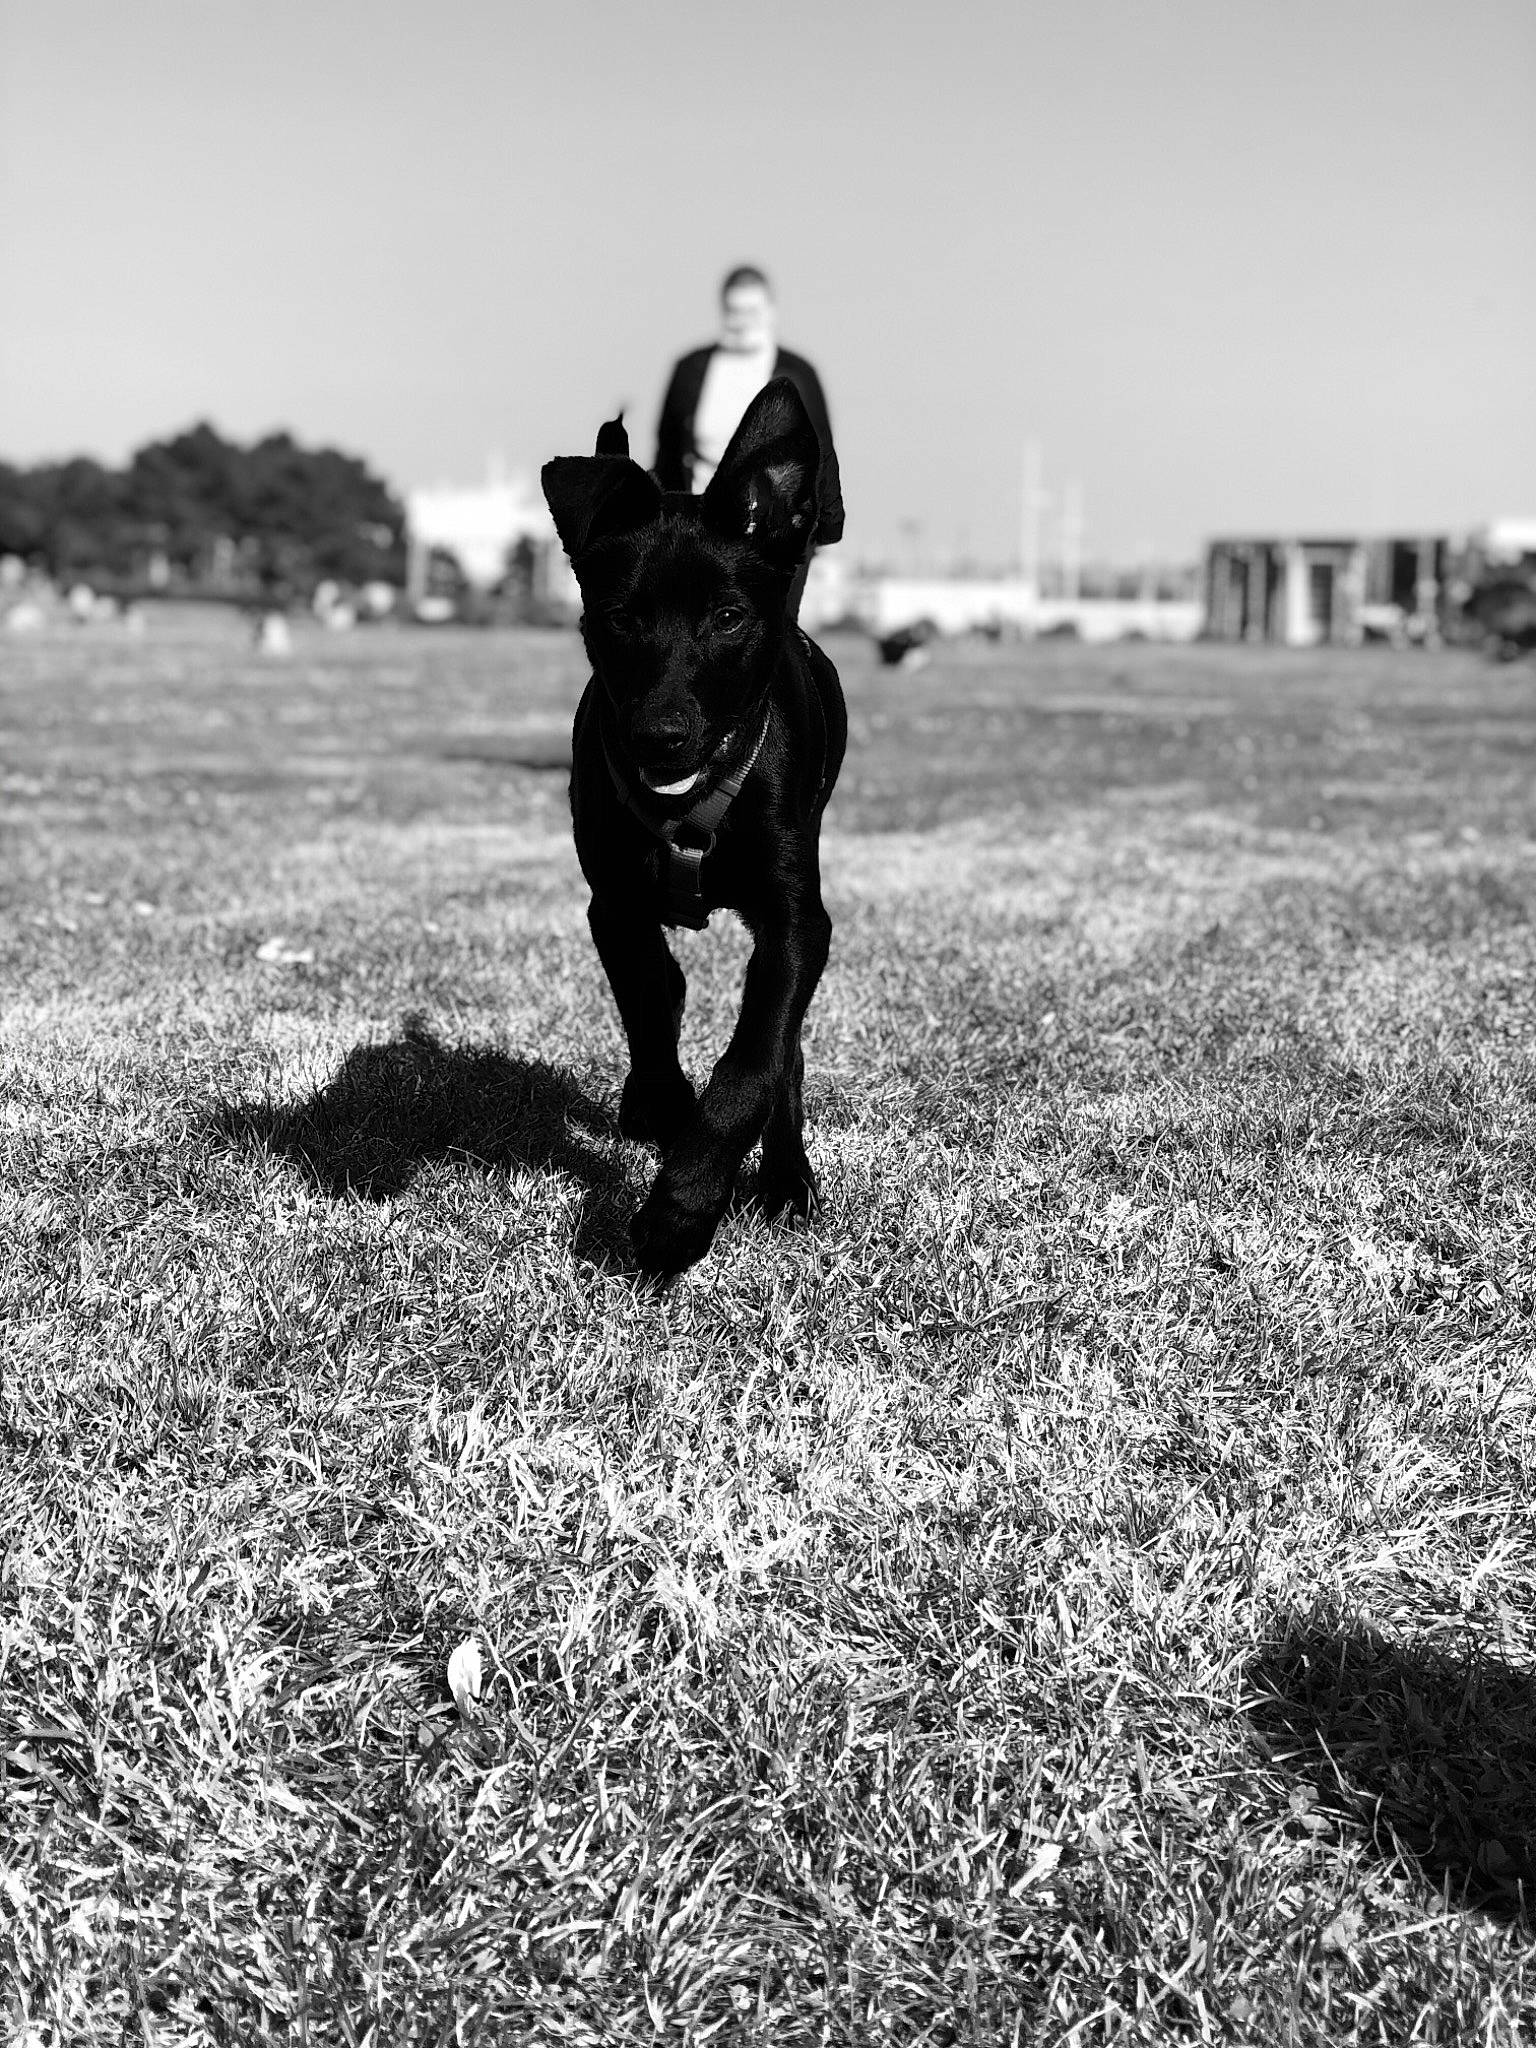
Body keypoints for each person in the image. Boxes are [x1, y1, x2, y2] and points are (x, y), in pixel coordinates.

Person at [655, 265, 842, 616]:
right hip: (701, 524)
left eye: (752, 311)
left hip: (775, 527)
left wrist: (826, 530)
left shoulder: (798, 373)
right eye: (734, 311)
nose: (742, 322)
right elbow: (667, 450)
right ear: (722, 310)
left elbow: (821, 453)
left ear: (771, 310)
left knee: (771, 626)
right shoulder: (691, 369)